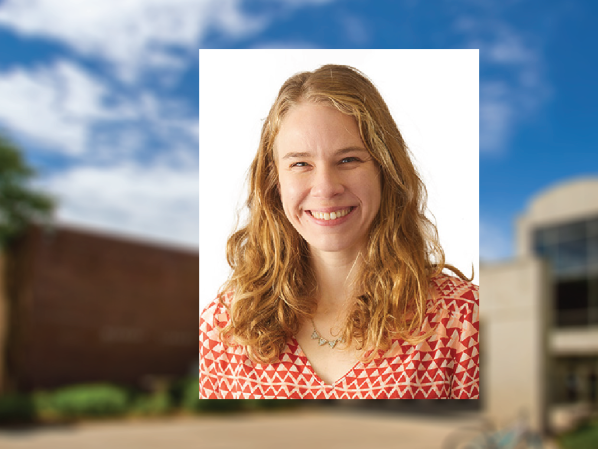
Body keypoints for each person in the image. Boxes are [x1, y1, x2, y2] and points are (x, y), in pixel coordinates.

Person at [199, 64, 479, 399]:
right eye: (300, 164)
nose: (326, 187)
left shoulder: (464, 319)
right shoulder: (222, 328)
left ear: (385, 169)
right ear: (274, 181)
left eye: (348, 160)